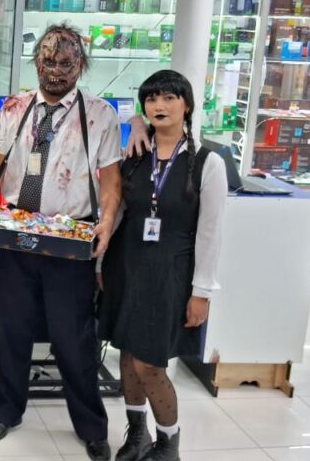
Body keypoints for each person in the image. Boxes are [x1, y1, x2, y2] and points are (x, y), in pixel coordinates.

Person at [0, 24, 124, 460]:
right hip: (17, 236)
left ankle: (91, 427)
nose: (55, 70)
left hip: (69, 241)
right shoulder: (15, 107)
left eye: (66, 63)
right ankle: (6, 411)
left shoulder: (99, 114)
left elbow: (111, 181)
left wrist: (106, 222)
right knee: (10, 331)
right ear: (36, 61)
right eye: (48, 61)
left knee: (74, 339)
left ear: (81, 66)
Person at [99, 70, 226, 461]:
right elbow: (118, 212)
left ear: (187, 105)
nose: (159, 106)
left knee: (149, 363)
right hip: (125, 265)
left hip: (170, 272)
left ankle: (168, 444)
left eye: (169, 98)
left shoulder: (207, 163)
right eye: (151, 99)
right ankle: (137, 435)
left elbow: (211, 233)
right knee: (126, 355)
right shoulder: (136, 153)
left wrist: (202, 292)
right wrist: (99, 263)